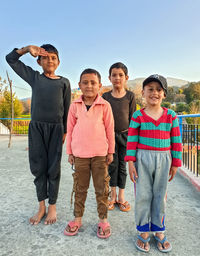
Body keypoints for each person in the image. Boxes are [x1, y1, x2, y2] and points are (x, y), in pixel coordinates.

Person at [6, 44, 71, 225]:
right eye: (45, 57)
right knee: (38, 167)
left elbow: (67, 108)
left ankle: (52, 206)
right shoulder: (34, 78)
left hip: (57, 130)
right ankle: (41, 206)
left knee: (53, 168)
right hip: (37, 129)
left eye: (53, 58)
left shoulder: (64, 82)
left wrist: (65, 130)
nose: (50, 60)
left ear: (58, 62)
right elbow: (10, 59)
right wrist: (27, 49)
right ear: (39, 61)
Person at [125, 74, 182, 253]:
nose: (154, 93)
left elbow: (176, 141)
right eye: (150, 89)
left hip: (164, 160)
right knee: (143, 195)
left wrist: (175, 163)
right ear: (143, 92)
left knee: (160, 196)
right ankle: (143, 231)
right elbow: (132, 140)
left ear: (164, 94)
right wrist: (131, 162)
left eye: (159, 90)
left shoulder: (170, 116)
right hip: (142, 160)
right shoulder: (138, 116)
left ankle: (158, 229)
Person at [64, 68, 115, 238]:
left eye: (93, 83)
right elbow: (70, 130)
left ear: (100, 86)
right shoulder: (74, 106)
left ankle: (103, 220)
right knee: (80, 188)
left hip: (100, 155)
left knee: (102, 189)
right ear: (79, 85)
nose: (89, 86)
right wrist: (70, 151)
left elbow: (110, 130)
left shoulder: (105, 105)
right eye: (85, 82)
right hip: (80, 155)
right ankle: (77, 219)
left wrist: (111, 151)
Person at [102, 62, 136, 212]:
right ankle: (112, 196)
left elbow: (133, 119)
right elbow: (101, 119)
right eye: (114, 75)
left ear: (126, 77)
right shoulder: (105, 96)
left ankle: (121, 196)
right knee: (112, 165)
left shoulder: (130, 96)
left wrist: (133, 140)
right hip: (109, 137)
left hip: (126, 136)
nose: (117, 78)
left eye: (120, 75)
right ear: (109, 78)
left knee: (122, 166)